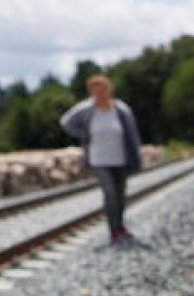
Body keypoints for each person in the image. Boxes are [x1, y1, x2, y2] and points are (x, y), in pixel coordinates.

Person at [59, 74, 143, 246]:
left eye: (103, 88)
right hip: (99, 160)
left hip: (120, 158)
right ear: (91, 92)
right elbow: (65, 122)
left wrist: (136, 155)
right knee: (110, 193)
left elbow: (132, 134)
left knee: (120, 195)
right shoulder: (86, 109)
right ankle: (113, 230)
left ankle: (120, 226)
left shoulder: (121, 110)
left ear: (110, 89)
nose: (100, 92)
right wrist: (83, 134)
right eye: (95, 89)